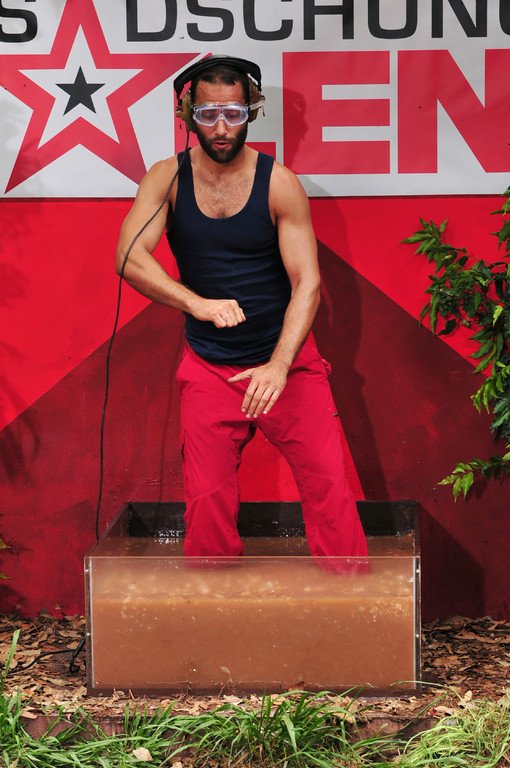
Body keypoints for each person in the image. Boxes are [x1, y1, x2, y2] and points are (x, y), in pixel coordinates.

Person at [116, 55, 368, 559]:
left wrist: (279, 365)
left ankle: (352, 599)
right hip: (210, 365)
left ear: (251, 111)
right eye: (208, 114)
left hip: (285, 362)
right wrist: (197, 304)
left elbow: (308, 282)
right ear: (188, 115)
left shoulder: (279, 183)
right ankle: (213, 604)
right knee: (206, 502)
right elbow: (128, 256)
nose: (221, 128)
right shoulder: (167, 178)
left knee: (331, 492)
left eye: (233, 113)